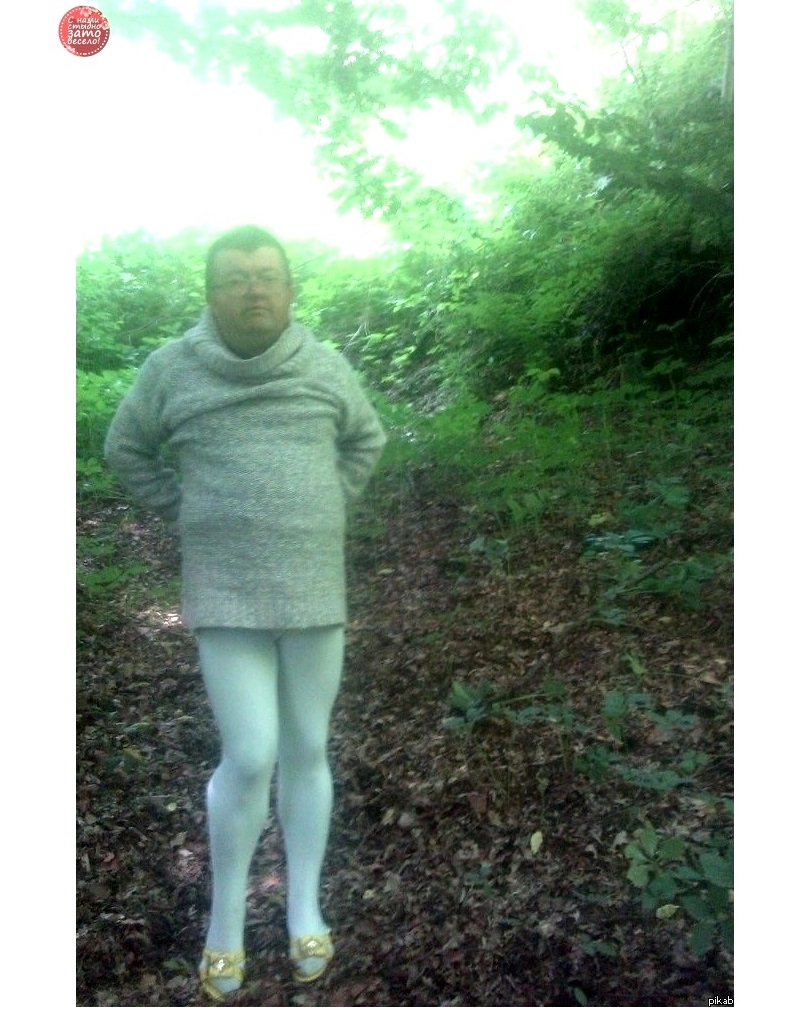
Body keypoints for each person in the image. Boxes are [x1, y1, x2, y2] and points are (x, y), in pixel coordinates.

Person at [104, 225, 386, 1000]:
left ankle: (303, 908)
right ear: (211, 292)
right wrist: (185, 509)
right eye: (235, 277)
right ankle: (225, 921)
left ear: (290, 289)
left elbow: (365, 440)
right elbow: (125, 449)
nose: (253, 288)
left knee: (307, 746)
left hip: (314, 590)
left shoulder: (324, 366)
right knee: (253, 752)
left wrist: (329, 505)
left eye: (266, 275)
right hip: (225, 591)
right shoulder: (173, 369)